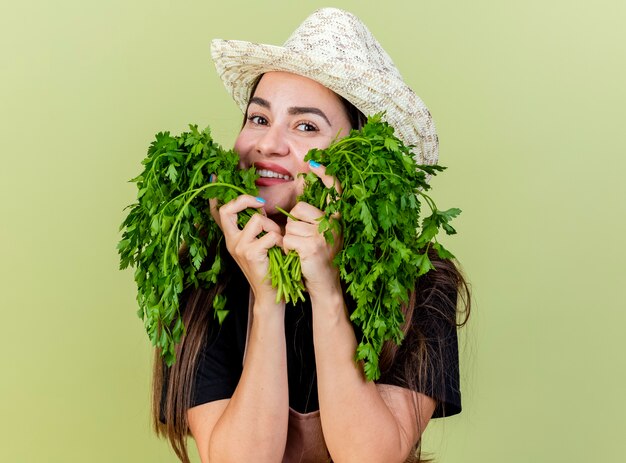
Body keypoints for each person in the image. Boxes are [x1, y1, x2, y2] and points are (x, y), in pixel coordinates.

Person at [153, 7, 470, 463]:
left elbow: (371, 458)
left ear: (361, 156)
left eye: (305, 126)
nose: (268, 144)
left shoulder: (421, 281)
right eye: (258, 119)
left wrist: (323, 286)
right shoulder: (203, 276)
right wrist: (267, 299)